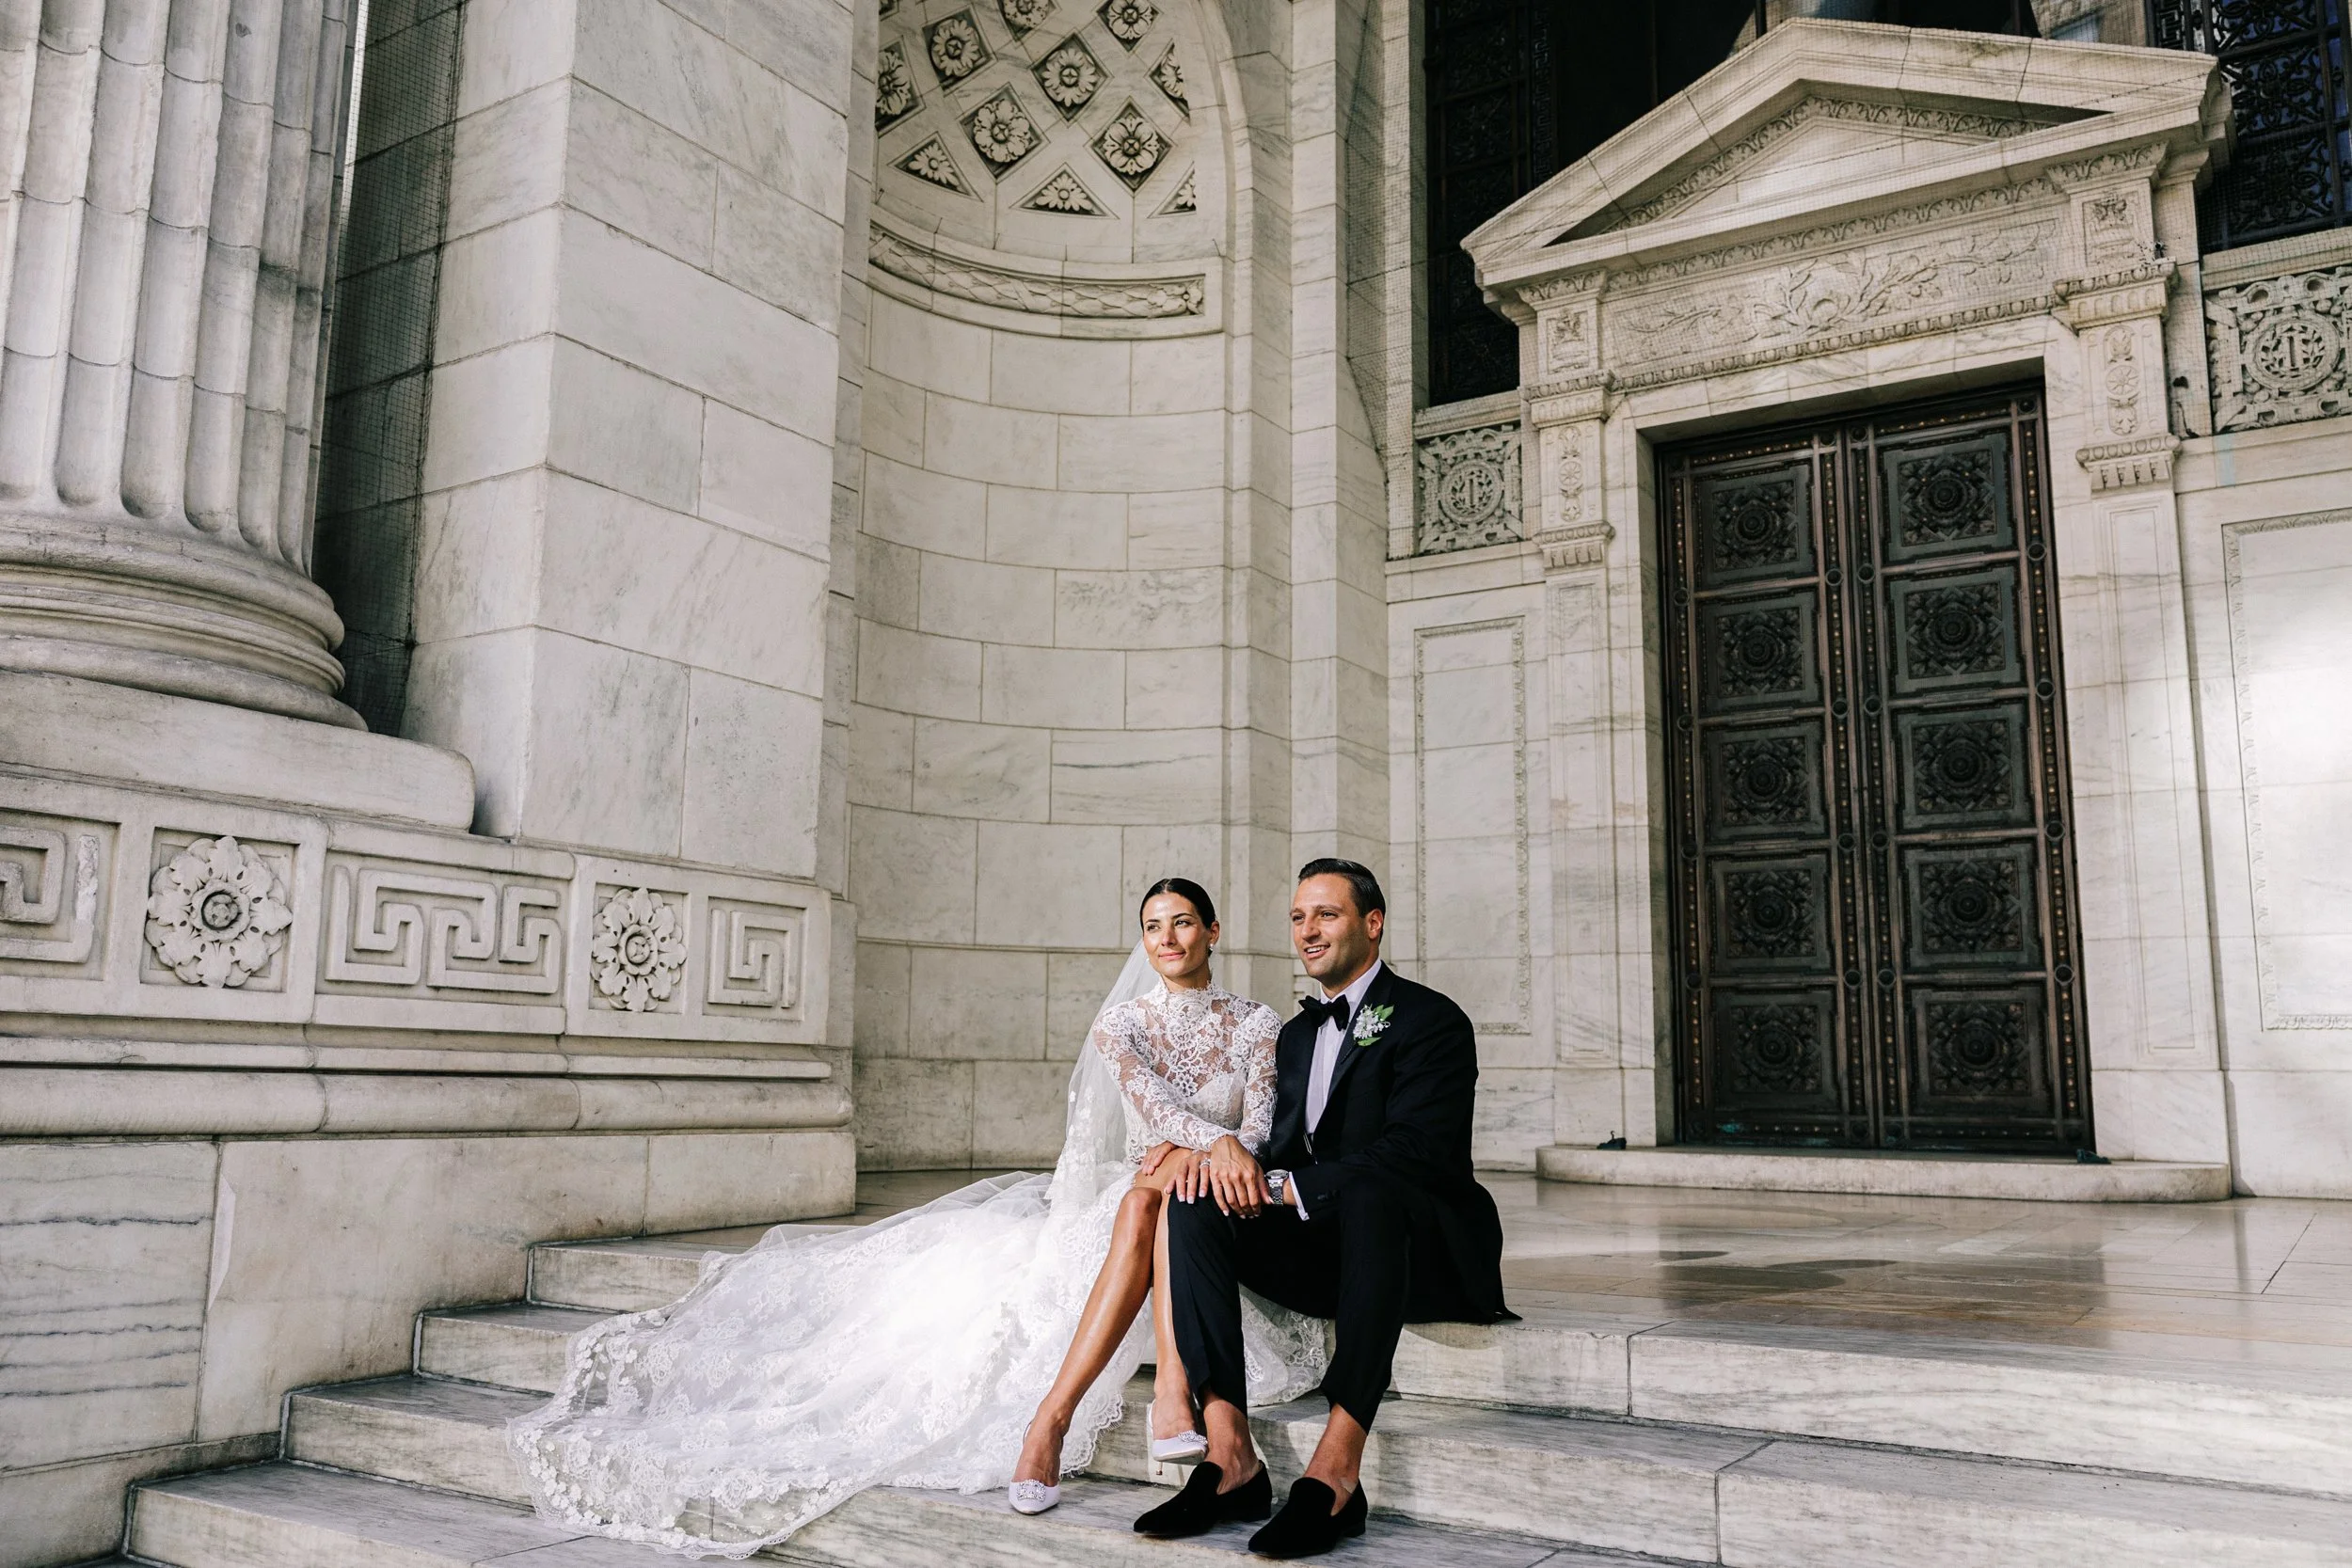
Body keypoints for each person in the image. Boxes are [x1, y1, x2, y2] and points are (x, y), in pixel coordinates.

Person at [509, 878, 1324, 1558]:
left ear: (1212, 930)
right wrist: (1196, 1149)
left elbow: (1258, 1126)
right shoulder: (1122, 1024)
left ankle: (1089, 1408)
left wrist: (1208, 1152)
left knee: (1169, 1188)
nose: (1167, 937)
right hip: (1139, 1187)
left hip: (1210, 1190)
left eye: (1182, 922)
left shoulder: (1255, 1022)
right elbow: (1150, 1109)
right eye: (1152, 926)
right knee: (1150, 1190)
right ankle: (1105, 1408)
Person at [1137, 857, 1514, 1559]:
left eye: (1327, 914)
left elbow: (1413, 1154)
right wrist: (1225, 1163)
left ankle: (1338, 1469)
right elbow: (1280, 1149)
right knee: (1195, 1198)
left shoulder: (1433, 1020)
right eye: (1298, 917)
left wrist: (1283, 1187)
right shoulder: (1297, 1035)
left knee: (1374, 1189)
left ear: (1372, 924)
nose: (1308, 930)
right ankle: (1231, 1456)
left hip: (1421, 1251)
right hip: (1327, 1256)